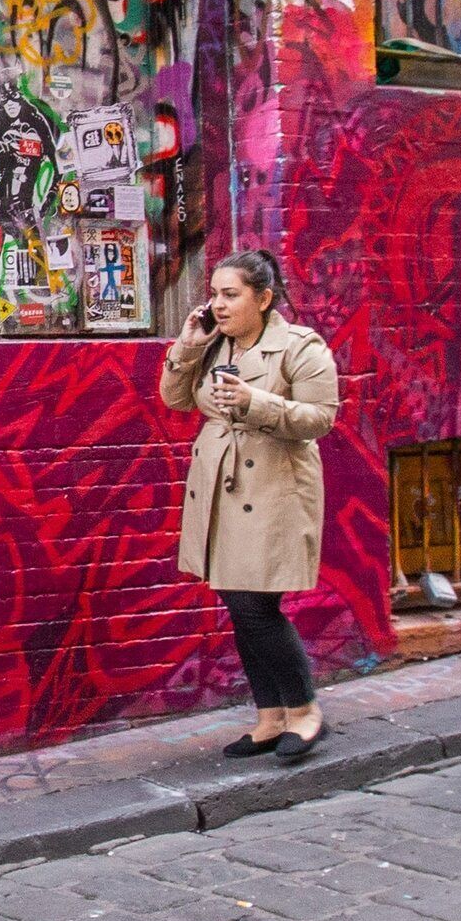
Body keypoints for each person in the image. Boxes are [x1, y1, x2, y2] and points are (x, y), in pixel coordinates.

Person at [159, 250, 342, 760]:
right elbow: (175, 398)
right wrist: (188, 346)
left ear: (263, 299)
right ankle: (270, 715)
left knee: (256, 606)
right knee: (241, 606)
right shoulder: (214, 345)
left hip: (274, 489)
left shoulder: (300, 348)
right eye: (214, 294)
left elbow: (319, 418)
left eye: (230, 294)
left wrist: (255, 404)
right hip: (223, 486)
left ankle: (304, 711)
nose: (217, 305)